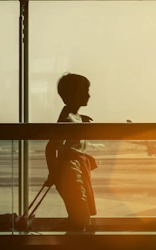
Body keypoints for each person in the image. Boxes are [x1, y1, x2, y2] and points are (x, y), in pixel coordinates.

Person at [45, 73, 99, 232]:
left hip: (77, 168)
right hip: (70, 170)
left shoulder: (75, 116)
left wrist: (81, 118)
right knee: (81, 216)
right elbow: (51, 146)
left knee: (78, 214)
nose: (89, 95)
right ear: (73, 94)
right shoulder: (67, 119)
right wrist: (53, 173)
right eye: (85, 91)